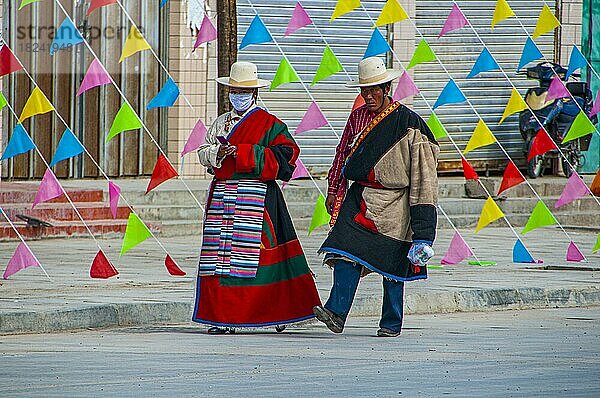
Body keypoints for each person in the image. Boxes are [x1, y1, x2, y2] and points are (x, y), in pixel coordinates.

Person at [313, 57, 439, 337]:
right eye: (364, 91)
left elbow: (424, 176)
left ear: (387, 87)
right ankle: (336, 313)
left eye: (374, 90)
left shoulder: (409, 124)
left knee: (392, 264)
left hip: (397, 204)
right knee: (343, 249)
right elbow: (342, 153)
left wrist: (423, 230)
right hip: (361, 198)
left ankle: (391, 323)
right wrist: (334, 191)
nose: (368, 96)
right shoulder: (357, 118)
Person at [194, 61, 321, 334]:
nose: (238, 95)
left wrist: (245, 153)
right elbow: (203, 150)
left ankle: (274, 312)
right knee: (219, 258)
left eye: (244, 91)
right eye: (233, 90)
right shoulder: (220, 123)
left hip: (256, 198)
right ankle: (221, 317)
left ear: (254, 93)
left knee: (257, 258)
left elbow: (287, 156)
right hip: (223, 195)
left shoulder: (271, 124)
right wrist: (217, 154)